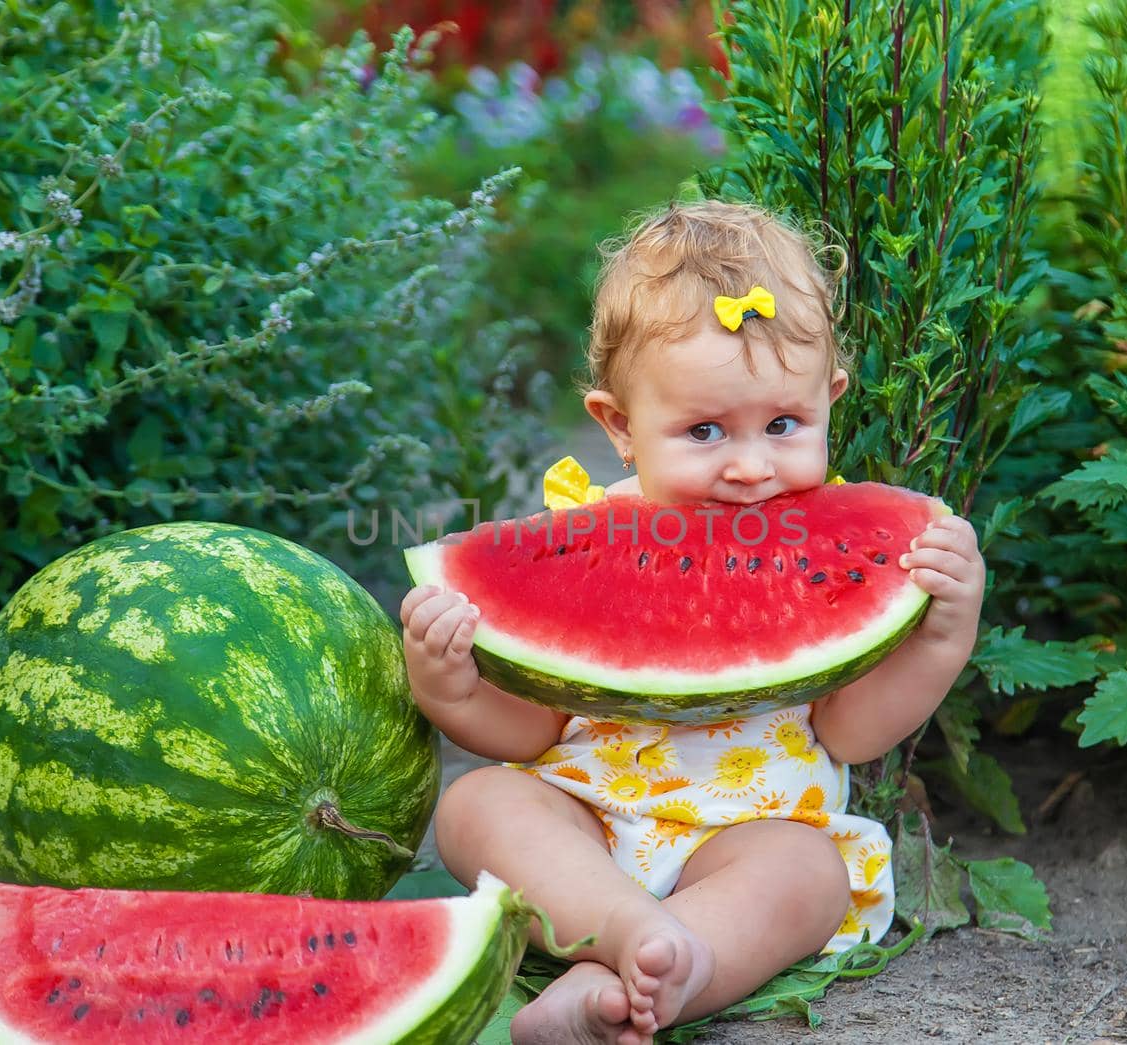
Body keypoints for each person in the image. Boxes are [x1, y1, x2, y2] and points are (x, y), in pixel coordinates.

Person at [400, 200, 985, 1045]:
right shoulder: (585, 535)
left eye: (784, 424)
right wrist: (449, 683)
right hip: (588, 826)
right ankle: (627, 930)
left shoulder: (838, 556)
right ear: (619, 426)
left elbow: (851, 734)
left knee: (808, 876)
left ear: (832, 398)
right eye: (704, 431)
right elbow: (529, 731)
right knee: (476, 804)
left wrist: (941, 636)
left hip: (753, 834)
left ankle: (672, 968)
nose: (750, 467)